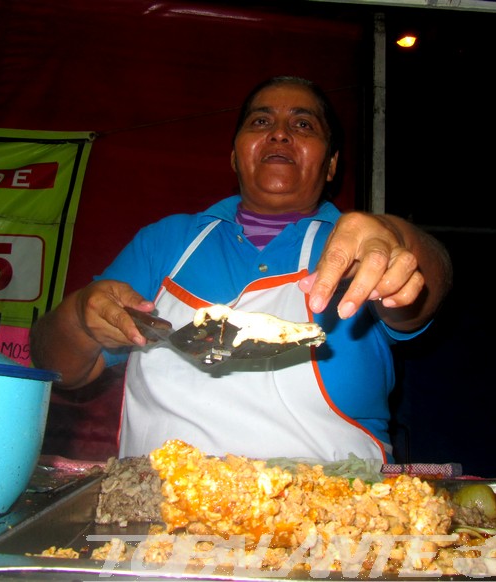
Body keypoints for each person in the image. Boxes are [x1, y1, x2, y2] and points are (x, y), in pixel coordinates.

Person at [30, 76, 452, 462]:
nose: (280, 133)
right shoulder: (167, 242)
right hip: (154, 520)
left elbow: (431, 285)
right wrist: (80, 317)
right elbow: (61, 368)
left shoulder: (356, 243)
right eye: (260, 121)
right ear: (234, 156)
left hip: (333, 525)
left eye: (303, 125)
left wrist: (393, 235)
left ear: (331, 165)